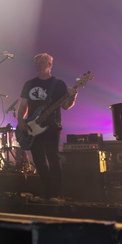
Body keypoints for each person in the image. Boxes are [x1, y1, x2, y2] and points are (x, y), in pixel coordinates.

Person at [16, 53, 77, 204]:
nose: (38, 65)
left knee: (53, 158)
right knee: (38, 160)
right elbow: (23, 105)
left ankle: (58, 194)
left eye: (42, 62)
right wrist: (21, 120)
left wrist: (72, 96)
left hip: (52, 125)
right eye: (36, 63)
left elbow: (65, 106)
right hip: (33, 127)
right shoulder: (29, 84)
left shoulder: (58, 84)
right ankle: (47, 193)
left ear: (50, 65)